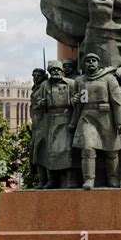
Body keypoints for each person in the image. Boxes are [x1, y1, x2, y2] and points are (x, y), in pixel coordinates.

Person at [71, 52, 121, 189]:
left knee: (112, 150)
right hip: (87, 117)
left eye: (93, 60)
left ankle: (112, 178)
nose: (91, 63)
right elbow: (74, 99)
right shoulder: (80, 80)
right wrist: (74, 100)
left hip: (106, 117)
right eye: (88, 61)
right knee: (87, 148)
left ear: (98, 63)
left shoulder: (109, 79)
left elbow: (118, 100)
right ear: (84, 64)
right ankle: (89, 179)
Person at [37, 61, 76, 189]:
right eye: (53, 70)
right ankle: (52, 180)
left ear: (62, 71)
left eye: (58, 69)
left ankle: (71, 179)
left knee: (67, 151)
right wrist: (42, 103)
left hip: (66, 119)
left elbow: (79, 103)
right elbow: (39, 103)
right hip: (50, 121)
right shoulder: (45, 85)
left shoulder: (71, 83)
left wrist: (73, 102)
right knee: (50, 152)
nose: (56, 72)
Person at [29, 67, 48, 189]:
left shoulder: (45, 87)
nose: (35, 78)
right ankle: (42, 180)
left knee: (43, 151)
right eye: (34, 75)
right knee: (36, 153)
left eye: (38, 75)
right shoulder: (35, 90)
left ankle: (46, 180)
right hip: (36, 123)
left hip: (44, 122)